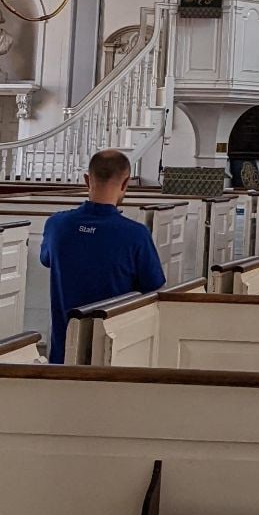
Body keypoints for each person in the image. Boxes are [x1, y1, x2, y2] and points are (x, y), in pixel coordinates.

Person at [39, 148, 167, 363]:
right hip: (115, 351)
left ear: (87, 180)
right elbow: (155, 289)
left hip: (64, 351)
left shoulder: (56, 225)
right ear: (126, 184)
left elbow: (46, 259)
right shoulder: (135, 234)